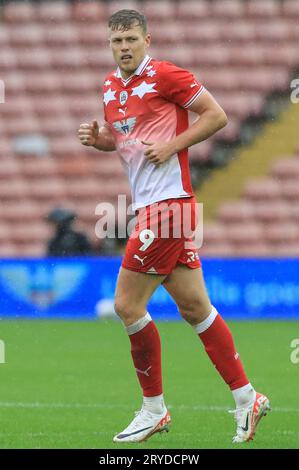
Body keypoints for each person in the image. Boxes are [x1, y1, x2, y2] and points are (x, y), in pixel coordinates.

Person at [78, 9, 270, 444]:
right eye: (116, 41)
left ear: (148, 39)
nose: (123, 47)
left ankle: (154, 410)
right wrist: (100, 140)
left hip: (167, 206)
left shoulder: (165, 75)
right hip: (154, 206)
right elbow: (123, 141)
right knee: (195, 308)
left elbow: (216, 115)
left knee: (127, 306)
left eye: (130, 39)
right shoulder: (111, 87)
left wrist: (172, 146)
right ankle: (247, 398)